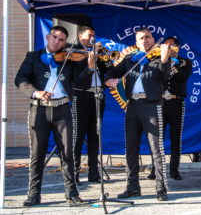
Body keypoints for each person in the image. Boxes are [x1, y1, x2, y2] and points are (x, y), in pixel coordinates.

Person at [14, 26, 95, 206]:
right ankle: (34, 194)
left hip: (63, 109)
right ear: (48, 36)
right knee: (37, 154)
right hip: (39, 109)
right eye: (54, 37)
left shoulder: (69, 59)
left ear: (64, 43)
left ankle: (72, 193)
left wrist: (90, 67)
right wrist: (36, 92)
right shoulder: (33, 56)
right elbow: (20, 79)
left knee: (67, 154)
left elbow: (79, 81)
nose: (56, 42)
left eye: (61, 40)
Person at [105, 28, 171, 201]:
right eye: (141, 38)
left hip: (151, 105)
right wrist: (109, 79)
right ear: (137, 41)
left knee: (156, 150)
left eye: (148, 37)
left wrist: (164, 60)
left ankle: (161, 188)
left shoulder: (159, 56)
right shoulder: (129, 58)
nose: (145, 40)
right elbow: (113, 71)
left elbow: (164, 78)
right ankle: (133, 187)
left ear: (153, 39)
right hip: (132, 105)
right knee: (131, 149)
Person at [72, 25, 113, 185]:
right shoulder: (74, 53)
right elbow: (77, 79)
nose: (93, 38)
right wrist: (91, 56)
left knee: (95, 136)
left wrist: (106, 57)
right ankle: (74, 173)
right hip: (81, 95)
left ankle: (94, 174)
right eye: (89, 35)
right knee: (78, 136)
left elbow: (109, 70)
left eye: (94, 35)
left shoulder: (99, 52)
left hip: (98, 96)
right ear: (80, 36)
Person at [147, 37, 192, 181]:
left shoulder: (185, 62)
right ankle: (155, 169)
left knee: (175, 137)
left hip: (176, 102)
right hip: (160, 102)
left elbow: (183, 77)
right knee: (157, 138)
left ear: (177, 47)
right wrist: (163, 60)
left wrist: (172, 62)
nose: (167, 48)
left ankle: (174, 169)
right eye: (165, 46)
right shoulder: (158, 60)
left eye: (170, 46)